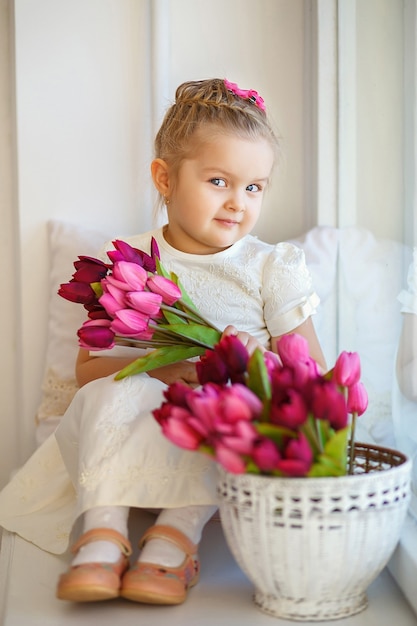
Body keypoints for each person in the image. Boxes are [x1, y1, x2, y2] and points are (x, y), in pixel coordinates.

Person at [0, 78, 326, 606]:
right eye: (219, 180)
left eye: (254, 187)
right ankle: (103, 531)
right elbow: (87, 372)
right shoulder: (127, 258)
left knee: (222, 405)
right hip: (131, 424)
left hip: (219, 422)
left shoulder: (271, 266)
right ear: (165, 177)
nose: (238, 203)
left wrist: (253, 364)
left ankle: (175, 536)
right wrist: (163, 368)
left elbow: (310, 376)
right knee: (109, 392)